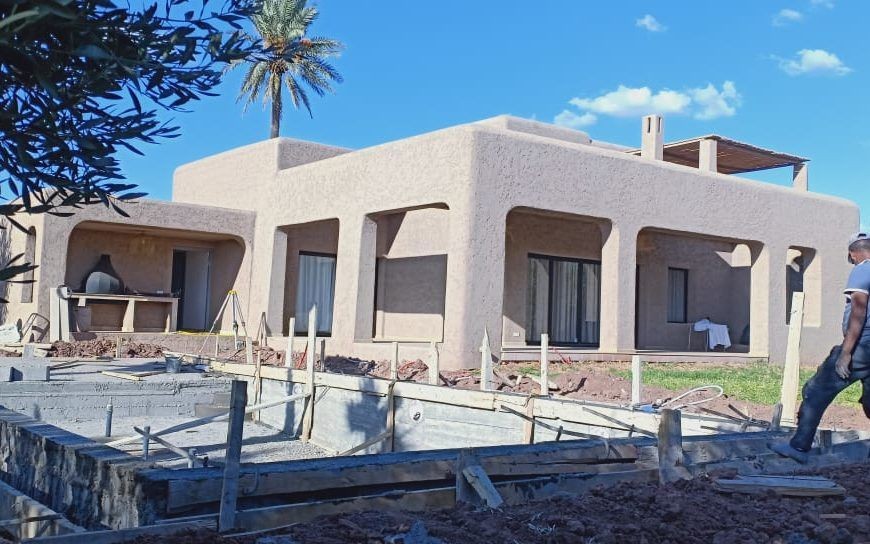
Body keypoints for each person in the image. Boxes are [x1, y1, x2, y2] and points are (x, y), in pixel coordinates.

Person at [771, 232, 870, 463]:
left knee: (815, 390)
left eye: (851, 258)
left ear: (853, 254)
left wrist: (846, 354)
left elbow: (859, 309)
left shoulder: (863, 269)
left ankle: (799, 447)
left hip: (863, 347)